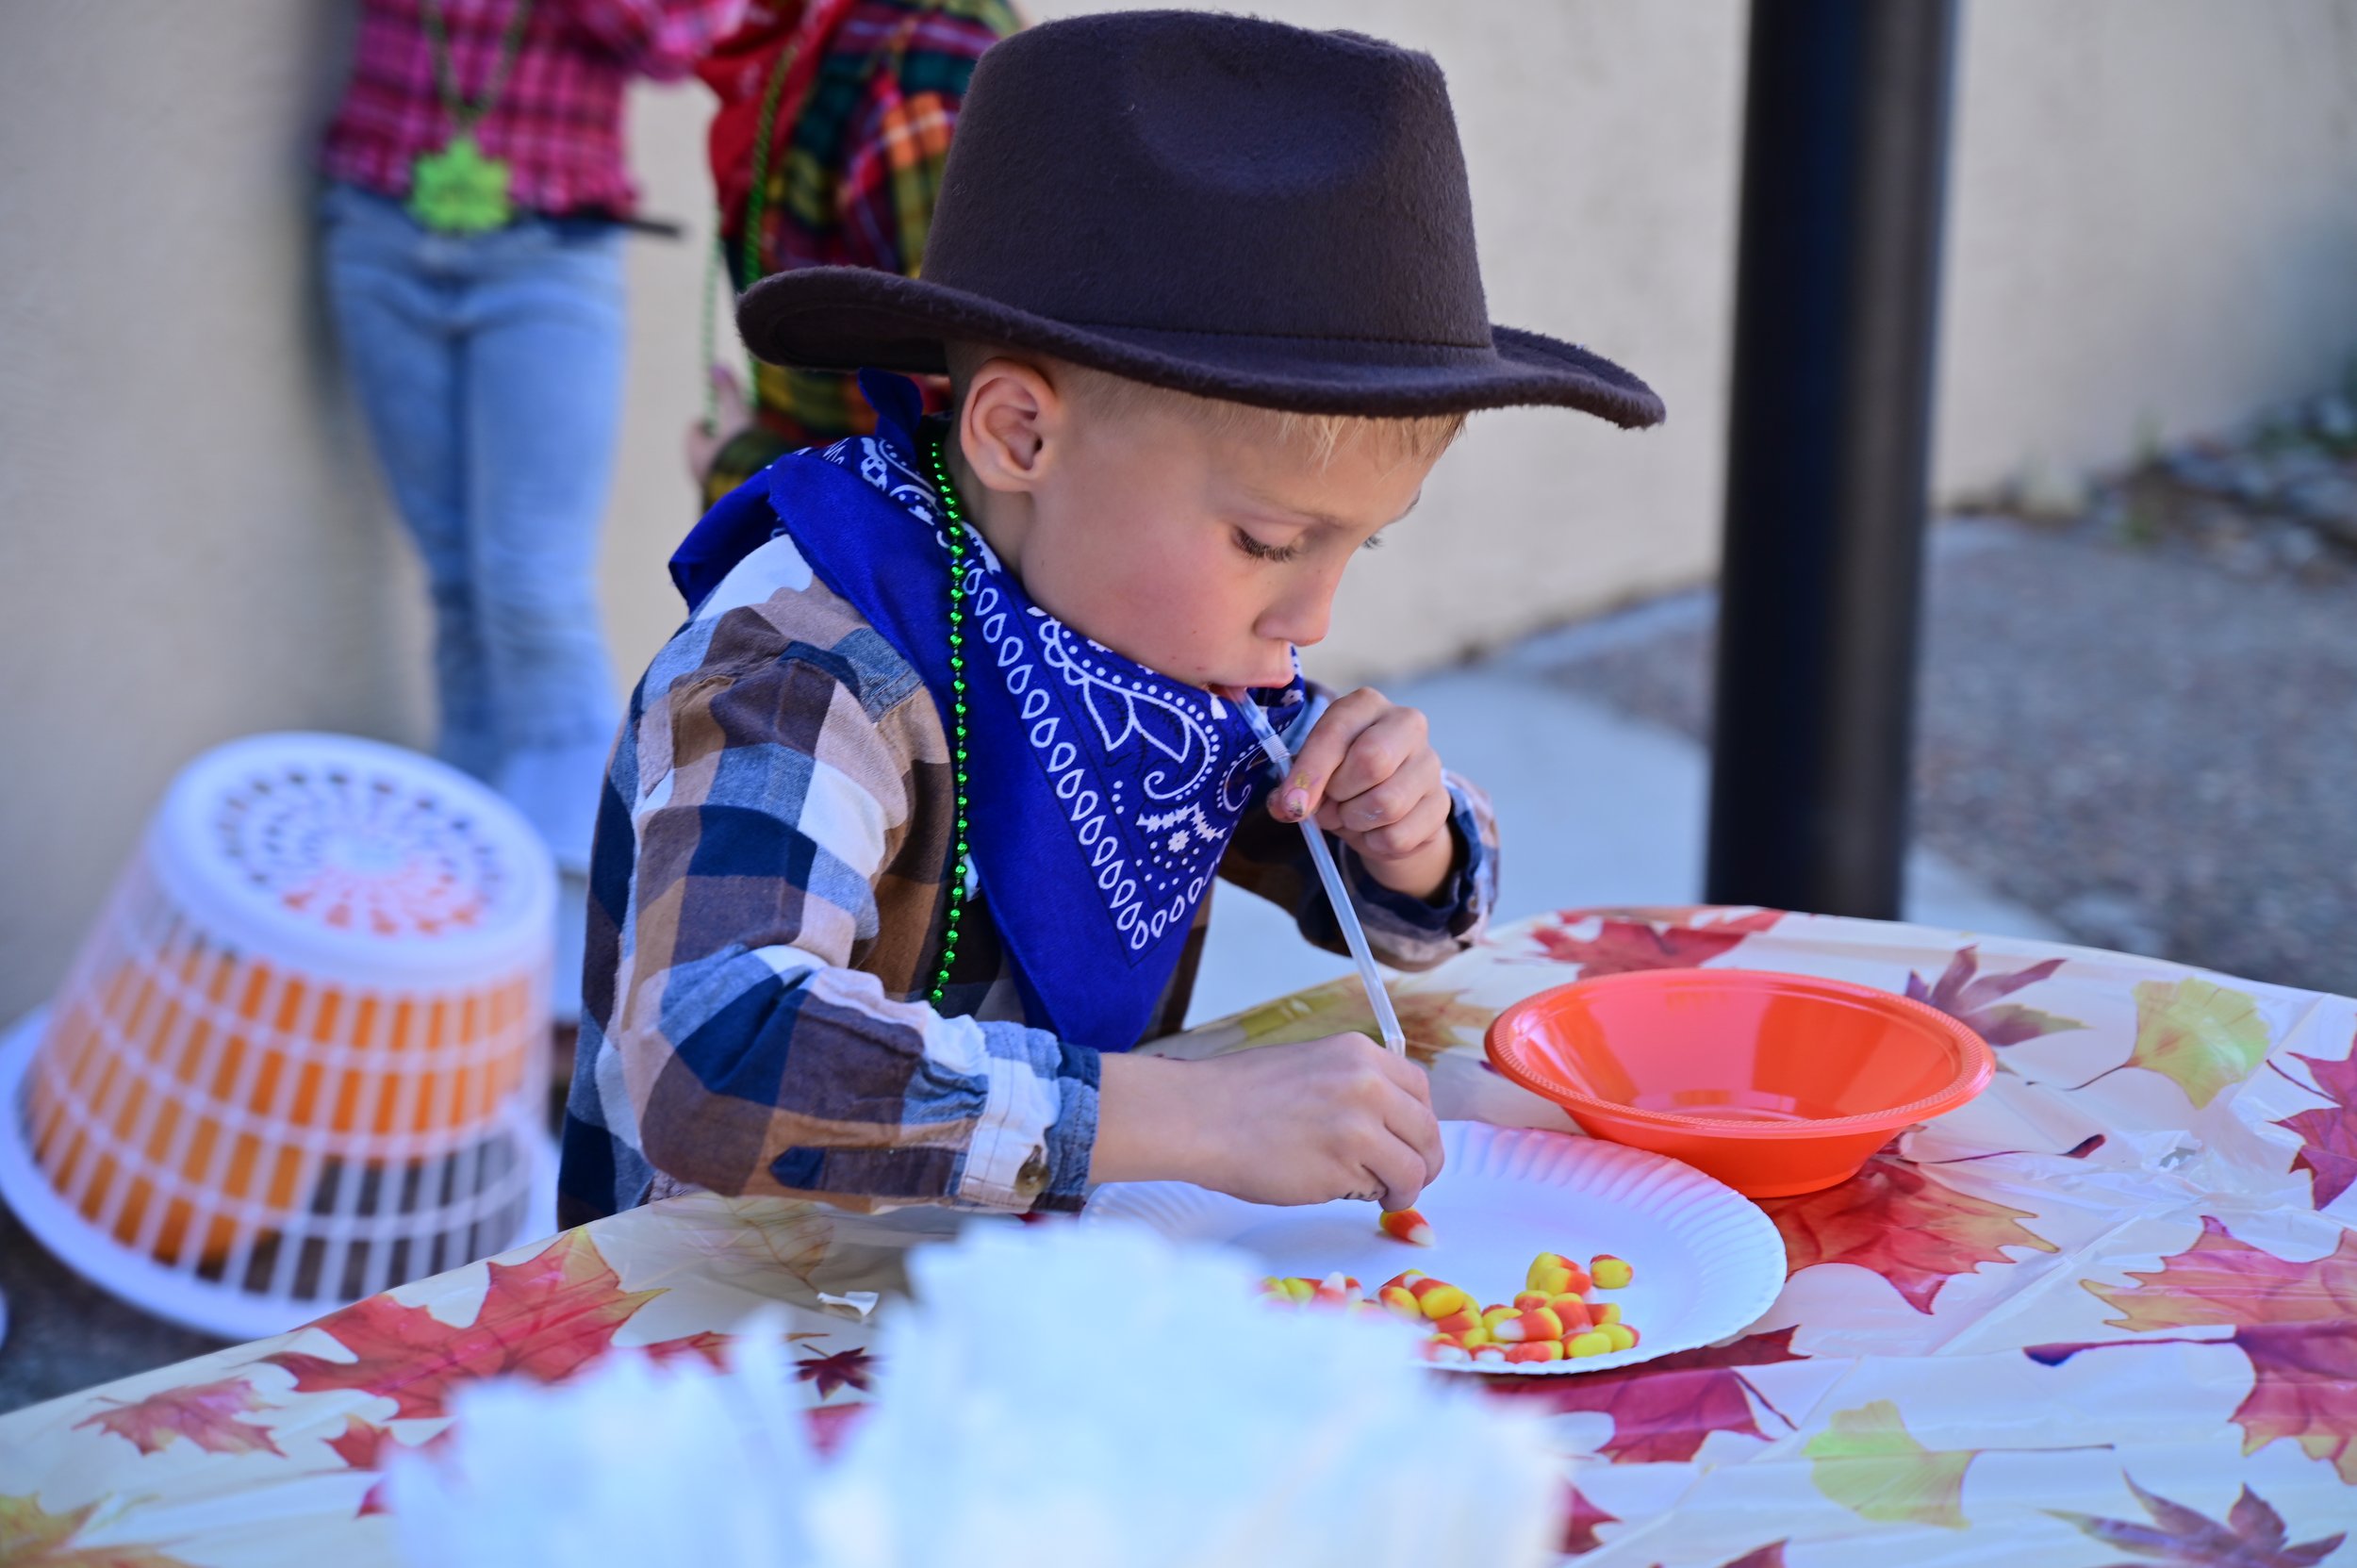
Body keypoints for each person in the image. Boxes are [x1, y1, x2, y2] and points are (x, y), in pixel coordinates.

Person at [557, 11, 1665, 1226]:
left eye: (1362, 543)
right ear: (1019, 435)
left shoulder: (1138, 630)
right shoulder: (806, 659)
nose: (1313, 614)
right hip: (728, 1340)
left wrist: (1406, 836)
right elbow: (717, 1052)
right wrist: (1190, 1116)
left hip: (1024, 1317)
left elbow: (1398, 917)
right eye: (1268, 542)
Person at [318, 0, 745, 872]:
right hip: (379, 212)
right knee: (457, 582)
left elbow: (679, 39)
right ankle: (465, 887)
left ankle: (570, 916)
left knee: (532, 585)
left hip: (549, 245)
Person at [684, 0, 1021, 510]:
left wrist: (744, 470)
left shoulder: (913, 66)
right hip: (834, 549)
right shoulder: (824, 40)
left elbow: (986, 473)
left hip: (864, 566)